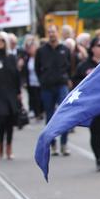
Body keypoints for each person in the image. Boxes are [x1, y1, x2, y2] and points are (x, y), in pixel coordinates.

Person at [74, 37, 100, 171]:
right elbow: (76, 85)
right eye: (99, 45)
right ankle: (98, 157)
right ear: (92, 48)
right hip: (92, 105)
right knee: (96, 132)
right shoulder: (84, 66)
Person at [36, 25, 71, 156]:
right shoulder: (41, 51)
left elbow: (70, 66)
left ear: (58, 33)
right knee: (50, 116)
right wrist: (43, 80)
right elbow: (37, 68)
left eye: (53, 32)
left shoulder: (65, 49)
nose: (51, 34)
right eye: (49, 32)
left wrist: (66, 78)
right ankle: (53, 144)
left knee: (65, 115)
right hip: (47, 87)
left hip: (62, 85)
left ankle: (64, 143)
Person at [0, 32, 22, 160]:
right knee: (0, 121)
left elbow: (17, 76)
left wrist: (19, 92)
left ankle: (9, 146)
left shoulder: (12, 58)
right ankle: (1, 142)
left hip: (11, 94)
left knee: (10, 121)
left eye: (2, 40)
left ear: (6, 42)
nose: (0, 42)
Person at [22, 38, 43, 120]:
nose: (30, 49)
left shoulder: (39, 57)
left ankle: (40, 112)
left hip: (39, 80)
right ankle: (36, 112)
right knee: (33, 97)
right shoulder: (27, 58)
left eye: (31, 47)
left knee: (40, 98)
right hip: (31, 81)